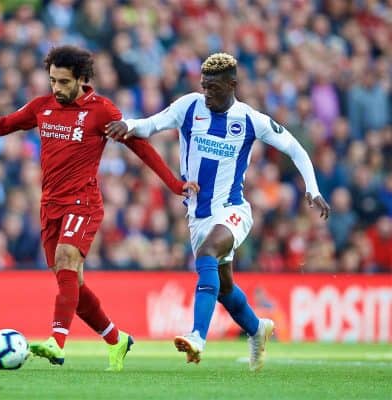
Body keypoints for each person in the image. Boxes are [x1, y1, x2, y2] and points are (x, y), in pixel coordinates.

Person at [0, 45, 198, 370]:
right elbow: (6, 123)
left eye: (63, 82)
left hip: (84, 202)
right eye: (52, 81)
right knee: (71, 284)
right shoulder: (42, 107)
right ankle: (117, 340)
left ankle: (56, 343)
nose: (57, 89)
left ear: (81, 79)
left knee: (65, 260)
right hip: (50, 206)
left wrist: (175, 184)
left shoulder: (102, 111)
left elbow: (141, 148)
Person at [105, 52, 330, 371]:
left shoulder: (251, 119)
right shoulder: (189, 107)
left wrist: (313, 188)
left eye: (213, 87)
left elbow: (295, 148)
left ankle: (198, 336)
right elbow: (151, 125)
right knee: (223, 288)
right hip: (198, 216)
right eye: (203, 85)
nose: (206, 92)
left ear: (232, 84)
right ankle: (257, 329)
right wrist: (127, 124)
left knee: (208, 253)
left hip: (233, 210)